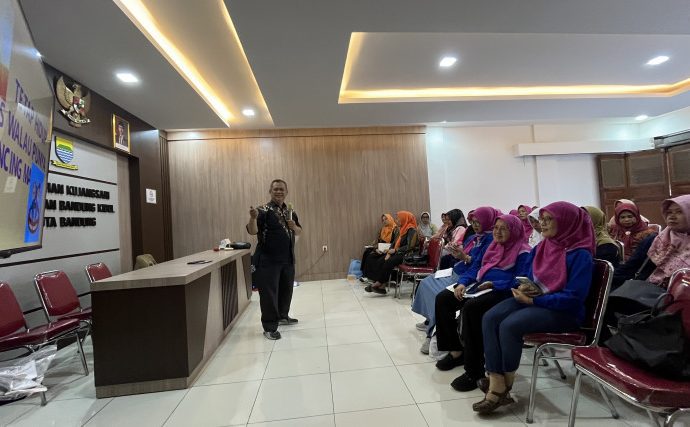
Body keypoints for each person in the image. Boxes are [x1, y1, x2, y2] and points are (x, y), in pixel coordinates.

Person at [475, 201, 594, 414]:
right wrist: (524, 287)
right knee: (490, 317)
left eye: (549, 220)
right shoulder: (543, 247)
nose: (543, 224)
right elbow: (527, 276)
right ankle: (496, 378)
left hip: (564, 312)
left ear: (566, 223)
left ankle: (501, 388)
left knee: (510, 325)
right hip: (537, 299)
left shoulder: (580, 254)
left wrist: (534, 301)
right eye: (542, 219)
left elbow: (574, 298)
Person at [434, 214, 531, 394]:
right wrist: (463, 282)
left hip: (503, 291)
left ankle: (474, 371)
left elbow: (520, 280)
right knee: (444, 299)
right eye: (496, 228)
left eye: (503, 229)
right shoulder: (492, 246)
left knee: (472, 309)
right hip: (480, 285)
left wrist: (495, 284)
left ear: (514, 231)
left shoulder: (523, 251)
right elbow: (476, 268)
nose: (498, 232)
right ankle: (456, 351)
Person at [412, 207, 496, 353]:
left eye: (478, 222)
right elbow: (473, 263)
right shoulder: (476, 237)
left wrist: (464, 258)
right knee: (425, 283)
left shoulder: (491, 241)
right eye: (473, 222)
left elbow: (481, 266)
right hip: (461, 271)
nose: (475, 225)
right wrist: (461, 257)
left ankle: (433, 332)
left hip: (475, 279)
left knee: (440, 296)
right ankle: (430, 320)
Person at [604, 195, 690, 327]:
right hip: (650, 298)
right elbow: (630, 268)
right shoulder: (656, 240)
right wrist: (603, 281)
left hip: (682, 303)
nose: (672, 216)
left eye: (679, 212)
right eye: (669, 212)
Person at [247, 179, 302, 340]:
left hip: (288, 259)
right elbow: (252, 231)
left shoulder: (290, 212)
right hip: (268, 260)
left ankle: (283, 316)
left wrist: (294, 227)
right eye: (275, 189)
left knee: (286, 290)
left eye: (281, 189)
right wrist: (252, 218)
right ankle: (270, 327)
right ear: (270, 191)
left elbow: (299, 231)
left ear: (286, 192)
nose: (279, 192)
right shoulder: (262, 210)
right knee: (269, 295)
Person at [364, 211, 418, 295]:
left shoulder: (412, 230)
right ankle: (382, 286)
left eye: (398, 219)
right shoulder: (401, 229)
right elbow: (394, 243)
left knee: (389, 261)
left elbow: (410, 246)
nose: (396, 220)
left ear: (404, 219)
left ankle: (379, 283)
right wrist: (389, 252)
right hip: (399, 252)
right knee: (382, 260)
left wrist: (395, 250)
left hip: (408, 254)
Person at [359, 214, 398, 281]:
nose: (384, 221)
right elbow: (378, 240)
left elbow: (396, 243)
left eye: (386, 219)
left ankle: (376, 278)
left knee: (377, 259)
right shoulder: (382, 229)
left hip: (390, 250)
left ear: (390, 219)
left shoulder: (395, 229)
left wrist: (388, 250)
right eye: (383, 220)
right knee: (368, 254)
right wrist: (376, 249)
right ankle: (366, 275)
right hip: (381, 249)